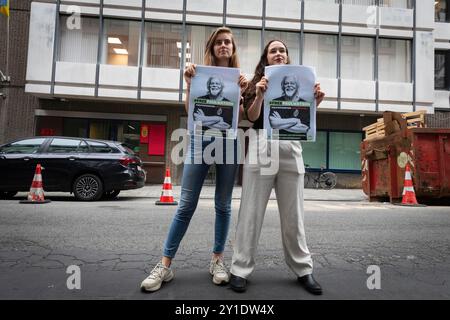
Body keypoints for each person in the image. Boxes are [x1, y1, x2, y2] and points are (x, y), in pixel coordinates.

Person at [140, 27, 248, 292]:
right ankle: (164, 265)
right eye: (219, 42)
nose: (224, 46)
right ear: (211, 47)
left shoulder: (238, 80)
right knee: (186, 205)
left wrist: (243, 94)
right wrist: (189, 85)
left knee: (223, 206)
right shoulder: (198, 75)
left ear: (233, 49)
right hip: (200, 142)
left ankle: (217, 261)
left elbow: (240, 116)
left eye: (228, 43)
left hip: (229, 144)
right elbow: (191, 112)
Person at [229, 39, 325, 295]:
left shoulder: (303, 84)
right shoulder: (255, 84)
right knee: (250, 213)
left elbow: (305, 123)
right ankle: (240, 269)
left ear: (287, 56)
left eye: (282, 50)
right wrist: (259, 95)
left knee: (294, 216)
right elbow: (250, 118)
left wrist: (315, 102)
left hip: (291, 150)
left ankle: (303, 269)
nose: (279, 53)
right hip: (261, 146)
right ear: (266, 58)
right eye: (273, 51)